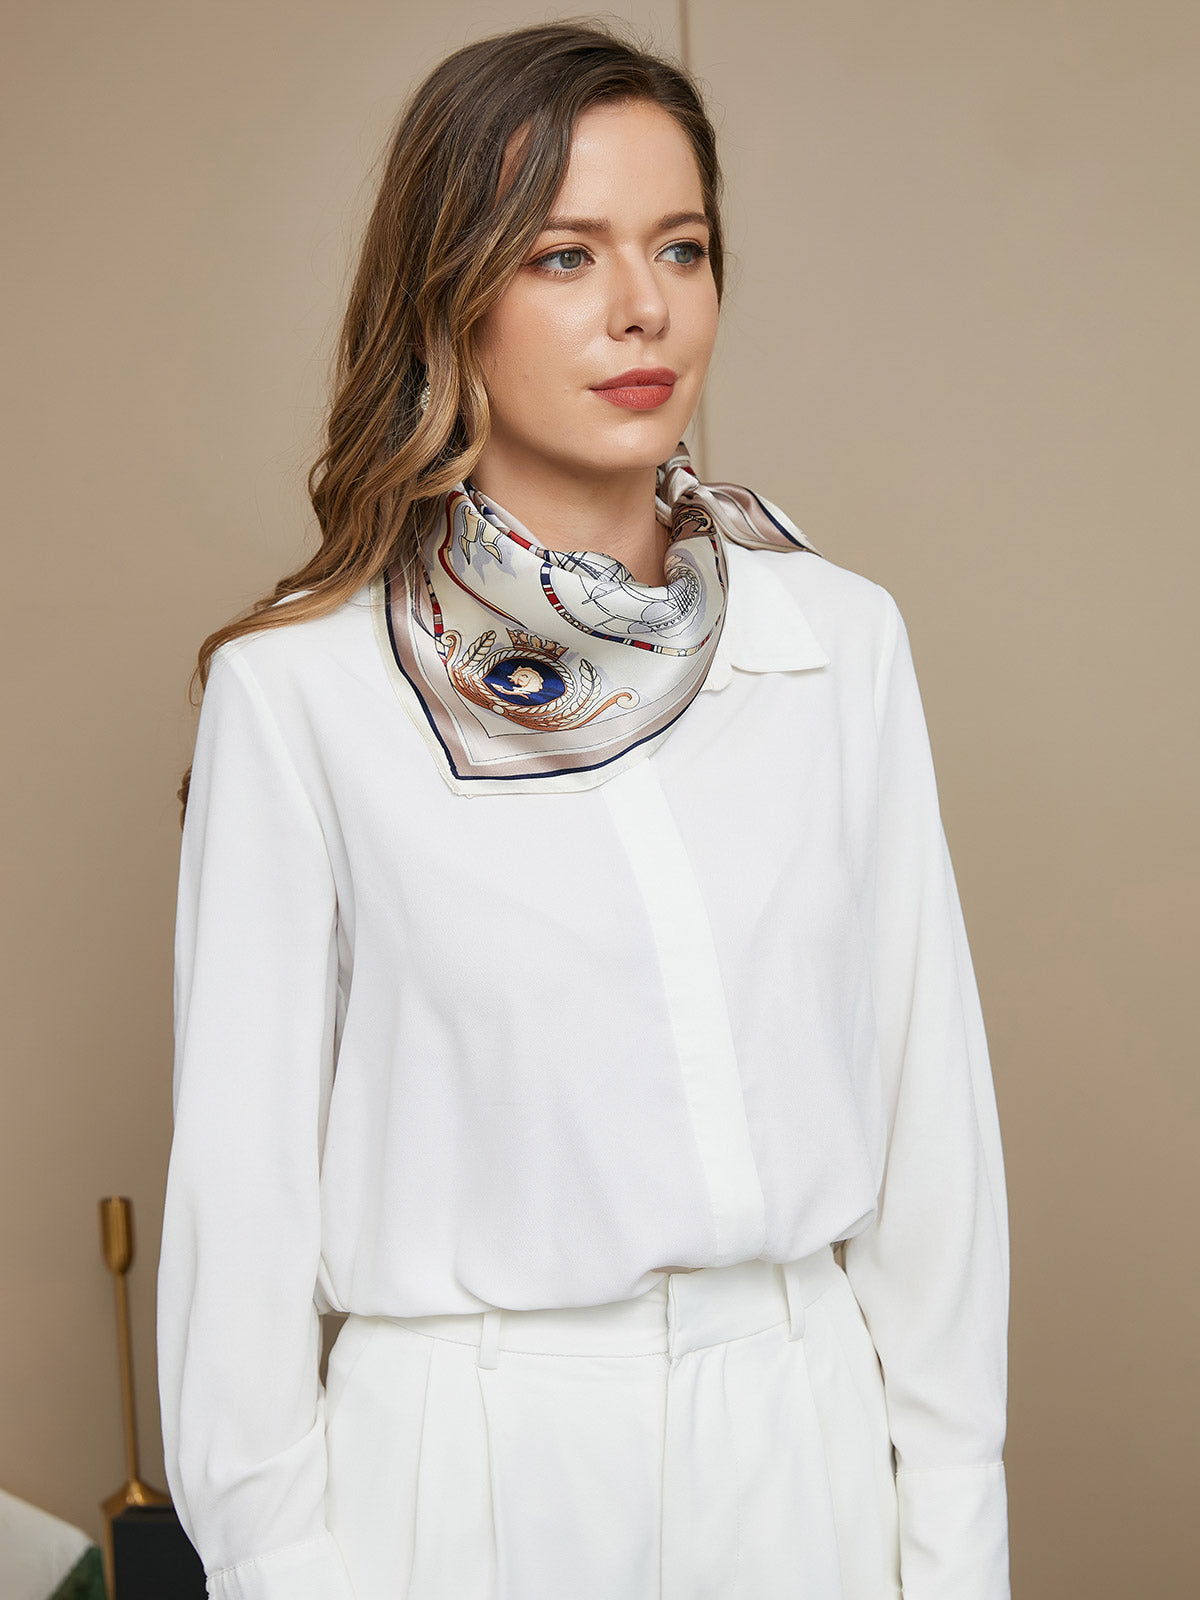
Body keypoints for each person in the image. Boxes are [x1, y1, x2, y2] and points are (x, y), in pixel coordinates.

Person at [156, 17, 1010, 1600]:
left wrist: (956, 1544)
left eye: (680, 248)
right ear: (450, 296)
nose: (643, 308)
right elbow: (242, 1216)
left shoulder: (835, 639)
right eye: (564, 255)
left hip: (799, 1435)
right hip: (468, 1466)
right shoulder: (302, 692)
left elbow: (932, 1136)